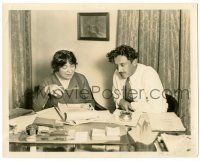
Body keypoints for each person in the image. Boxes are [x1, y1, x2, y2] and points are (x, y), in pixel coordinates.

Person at [106, 45, 168, 113]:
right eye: (117, 65)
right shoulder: (117, 73)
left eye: (122, 65)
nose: (119, 69)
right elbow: (116, 95)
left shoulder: (148, 73)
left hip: (153, 116)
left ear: (134, 62)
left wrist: (131, 105)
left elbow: (158, 108)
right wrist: (120, 101)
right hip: (129, 117)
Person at [33, 50, 101, 112]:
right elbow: (37, 108)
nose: (69, 71)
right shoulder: (47, 81)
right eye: (64, 67)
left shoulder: (81, 78)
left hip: (79, 118)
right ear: (57, 67)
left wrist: (88, 106)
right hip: (56, 121)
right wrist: (47, 89)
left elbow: (90, 101)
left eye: (72, 66)